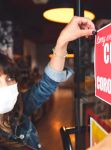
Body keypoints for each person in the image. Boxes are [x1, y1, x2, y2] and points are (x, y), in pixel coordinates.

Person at [0, 16, 95, 150]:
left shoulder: (18, 109)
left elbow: (46, 84)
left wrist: (62, 41)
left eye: (9, 78)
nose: (5, 87)